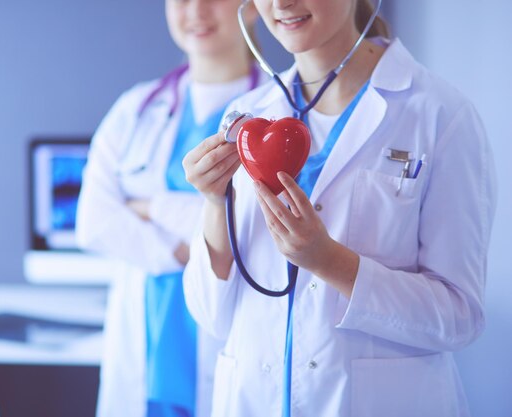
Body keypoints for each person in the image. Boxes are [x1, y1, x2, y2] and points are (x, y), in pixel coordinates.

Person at [182, 0, 497, 416]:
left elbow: (460, 316)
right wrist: (213, 202)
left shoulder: (440, 115)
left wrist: (328, 261)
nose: (281, 4)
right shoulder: (247, 119)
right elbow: (211, 316)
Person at [75, 1, 266, 416]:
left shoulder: (275, 114)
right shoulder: (136, 109)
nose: (196, 10)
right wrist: (194, 244)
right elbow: (93, 222)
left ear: (252, 7)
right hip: (144, 336)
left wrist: (147, 206)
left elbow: (259, 228)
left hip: (231, 335)